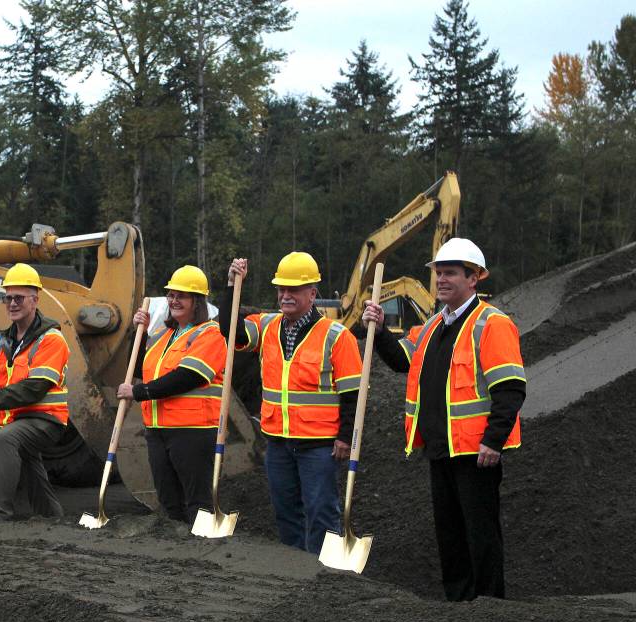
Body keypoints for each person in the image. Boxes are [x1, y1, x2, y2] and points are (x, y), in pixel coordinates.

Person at [363, 237, 525, 601]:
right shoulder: (433, 326)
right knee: (449, 532)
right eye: (439, 273)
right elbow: (402, 361)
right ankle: (458, 601)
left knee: (480, 532)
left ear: (474, 279)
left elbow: (510, 389)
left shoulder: (491, 324)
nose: (442, 280)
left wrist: (493, 441)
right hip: (440, 448)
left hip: (476, 452)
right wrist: (378, 331)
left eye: (450, 273)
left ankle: (488, 603)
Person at [222, 253, 362, 554]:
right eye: (281, 289)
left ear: (312, 293)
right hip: (278, 443)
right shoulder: (268, 326)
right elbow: (228, 328)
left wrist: (345, 437)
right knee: (286, 513)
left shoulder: (337, 337)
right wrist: (232, 287)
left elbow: (353, 394)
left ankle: (324, 576)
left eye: (293, 290)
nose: (285, 295)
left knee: (321, 512)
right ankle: (296, 572)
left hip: (319, 445)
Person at [116, 265, 226, 524]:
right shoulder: (162, 335)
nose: (174, 301)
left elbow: (188, 377)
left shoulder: (210, 334)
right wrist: (138, 333)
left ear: (197, 301)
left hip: (192, 430)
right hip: (157, 429)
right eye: (171, 295)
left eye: (182, 296)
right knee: (168, 500)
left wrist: (138, 392)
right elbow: (140, 363)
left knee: (197, 501)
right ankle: (178, 553)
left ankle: (203, 553)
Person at [0, 263, 70, 524]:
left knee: (7, 439)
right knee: (27, 462)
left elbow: (35, 388)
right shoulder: (2, 340)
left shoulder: (51, 339)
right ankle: (52, 517)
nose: (12, 303)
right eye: (8, 298)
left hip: (46, 420)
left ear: (35, 300)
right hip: (19, 419)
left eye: (19, 298)